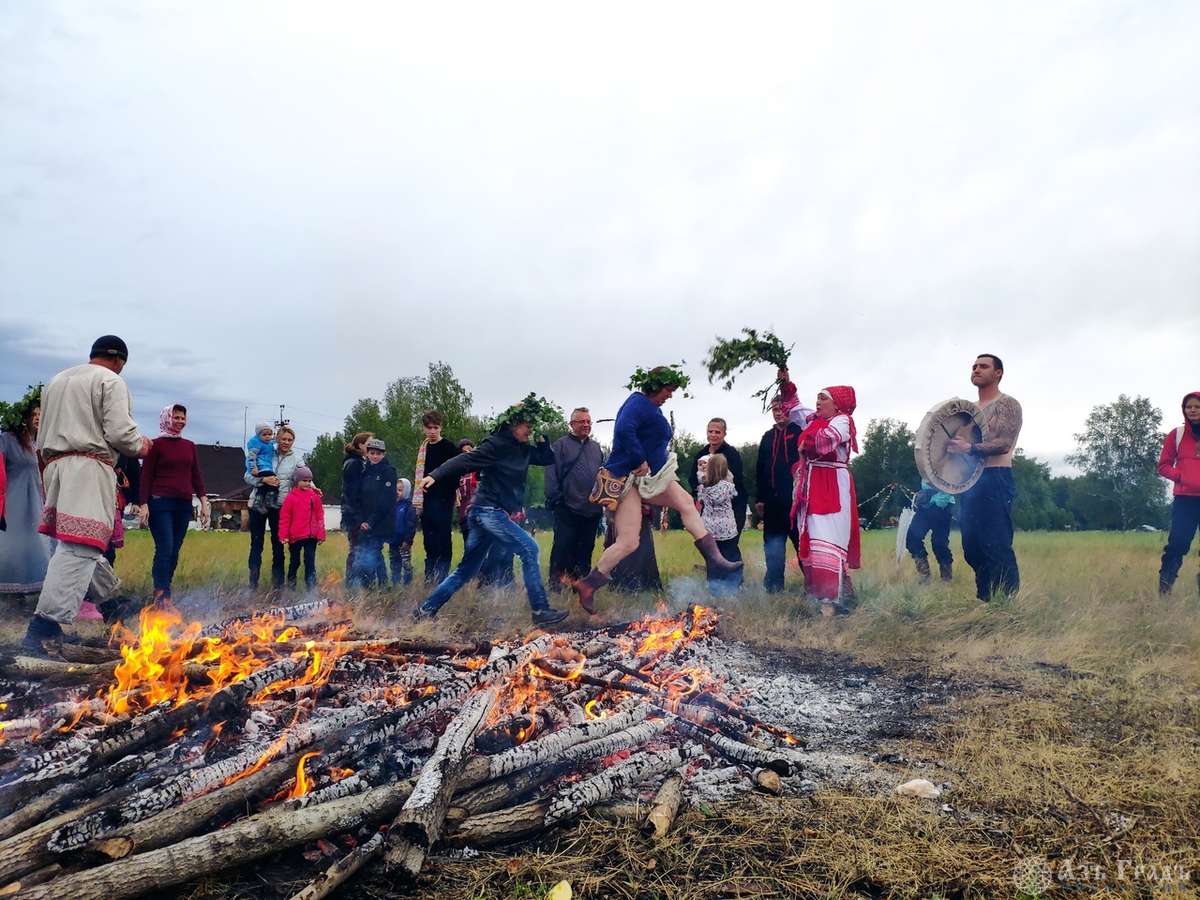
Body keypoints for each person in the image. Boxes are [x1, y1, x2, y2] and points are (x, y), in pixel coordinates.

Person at [573, 365, 742, 614]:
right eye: (668, 390)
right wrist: (640, 458)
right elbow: (622, 430)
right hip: (630, 479)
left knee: (686, 503)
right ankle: (589, 584)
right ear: (655, 387)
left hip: (650, 477)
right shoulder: (637, 403)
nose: (670, 395)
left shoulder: (650, 407)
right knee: (629, 542)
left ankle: (714, 559)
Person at [22, 335, 151, 654]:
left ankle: (114, 607)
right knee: (79, 545)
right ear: (120, 362)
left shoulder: (57, 380)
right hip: (88, 466)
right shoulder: (111, 381)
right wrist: (143, 446)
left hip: (55, 466)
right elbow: (121, 432)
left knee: (79, 540)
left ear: (92, 355)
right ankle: (44, 626)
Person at [413, 395, 568, 626]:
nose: (531, 430)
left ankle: (425, 611)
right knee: (529, 549)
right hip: (487, 511)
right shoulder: (496, 444)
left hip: (489, 513)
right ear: (514, 424)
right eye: (528, 425)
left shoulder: (524, 448)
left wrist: (543, 438)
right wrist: (434, 475)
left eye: (533, 426)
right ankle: (540, 610)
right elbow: (464, 460)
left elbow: (547, 458)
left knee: (465, 571)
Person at [946, 354, 1023, 601]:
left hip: (996, 477)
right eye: (974, 366)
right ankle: (985, 598)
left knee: (997, 543)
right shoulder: (967, 412)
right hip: (970, 483)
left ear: (998, 373)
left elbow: (1004, 443)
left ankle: (1006, 603)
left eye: (983, 366)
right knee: (972, 546)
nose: (976, 369)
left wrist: (969, 448)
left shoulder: (1007, 404)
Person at [792, 385, 861, 615]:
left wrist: (806, 441)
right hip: (814, 484)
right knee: (814, 541)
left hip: (832, 485)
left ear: (838, 403)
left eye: (823, 398)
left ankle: (828, 606)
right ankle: (831, 600)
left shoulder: (843, 421)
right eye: (817, 398)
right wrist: (787, 382)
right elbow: (794, 407)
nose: (818, 403)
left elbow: (821, 442)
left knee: (827, 540)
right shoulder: (815, 421)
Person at [137, 404, 209, 604]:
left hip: (183, 504)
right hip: (160, 504)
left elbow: (196, 475)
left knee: (175, 550)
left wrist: (203, 501)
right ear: (167, 418)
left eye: (182, 418)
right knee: (165, 548)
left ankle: (164, 589)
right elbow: (146, 476)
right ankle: (161, 595)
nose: (179, 421)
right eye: (176, 417)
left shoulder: (189, 446)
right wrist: (143, 504)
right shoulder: (155, 445)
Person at [0, 385, 52, 597]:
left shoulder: (39, 442)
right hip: (15, 498)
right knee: (12, 542)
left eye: (41, 413)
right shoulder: (8, 439)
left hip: (35, 498)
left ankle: (31, 587)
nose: (38, 418)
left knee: (36, 542)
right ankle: (8, 589)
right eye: (34, 414)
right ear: (25, 417)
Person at [756, 375, 806, 592]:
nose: (778, 414)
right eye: (774, 410)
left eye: (782, 409)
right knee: (773, 547)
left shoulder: (799, 433)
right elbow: (760, 469)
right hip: (772, 503)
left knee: (801, 545)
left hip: (795, 502)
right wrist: (759, 498)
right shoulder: (767, 437)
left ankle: (815, 586)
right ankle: (774, 587)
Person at [545, 407, 604, 590]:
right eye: (581, 421)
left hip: (592, 509)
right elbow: (551, 473)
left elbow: (603, 475)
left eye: (588, 421)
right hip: (567, 507)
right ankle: (556, 585)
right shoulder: (560, 445)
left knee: (586, 549)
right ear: (571, 424)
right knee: (563, 547)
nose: (586, 425)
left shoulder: (596, 448)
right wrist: (556, 499)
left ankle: (580, 586)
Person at [245, 425, 305, 590]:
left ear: (293, 442)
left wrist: (313, 487)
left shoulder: (296, 460)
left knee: (278, 545)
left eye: (290, 439)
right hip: (258, 503)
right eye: (283, 439)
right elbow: (247, 475)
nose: (286, 442)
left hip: (279, 506)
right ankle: (253, 584)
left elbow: (305, 476)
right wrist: (263, 480)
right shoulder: (265, 451)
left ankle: (277, 585)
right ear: (277, 438)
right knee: (256, 543)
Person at [1156, 390, 1200, 594]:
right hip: (1185, 500)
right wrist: (1182, 477)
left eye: (1197, 406)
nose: (1192, 409)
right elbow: (1163, 465)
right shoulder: (1177, 434)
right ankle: (1164, 592)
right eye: (1188, 406)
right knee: (1177, 545)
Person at [413, 411, 460, 584]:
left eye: (436, 427)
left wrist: (445, 488)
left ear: (441, 427)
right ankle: (429, 576)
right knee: (429, 539)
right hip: (426, 501)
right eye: (429, 428)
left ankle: (442, 578)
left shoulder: (448, 447)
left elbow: (457, 471)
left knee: (443, 539)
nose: (432, 431)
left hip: (443, 500)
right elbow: (420, 475)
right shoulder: (424, 448)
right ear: (423, 428)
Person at [349, 438, 396, 589]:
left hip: (381, 522)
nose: (375, 456)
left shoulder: (388, 472)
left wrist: (371, 521)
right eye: (372, 453)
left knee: (373, 551)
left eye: (378, 454)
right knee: (372, 553)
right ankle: (378, 584)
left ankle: (376, 585)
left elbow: (386, 500)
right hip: (364, 522)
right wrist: (361, 520)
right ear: (367, 453)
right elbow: (358, 498)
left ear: (384, 454)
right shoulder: (364, 472)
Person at [697, 453, 740, 596]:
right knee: (730, 556)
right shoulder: (728, 486)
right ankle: (732, 587)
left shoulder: (703, 487)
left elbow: (701, 501)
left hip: (709, 528)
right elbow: (734, 495)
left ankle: (713, 588)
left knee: (713, 559)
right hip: (727, 529)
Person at [278, 465, 325, 591]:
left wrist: (321, 533)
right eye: (304, 480)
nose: (307, 483)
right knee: (295, 562)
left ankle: (311, 589)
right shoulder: (291, 498)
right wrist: (283, 535)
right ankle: (291, 587)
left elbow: (320, 516)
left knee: (310, 562)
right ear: (296, 481)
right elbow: (285, 518)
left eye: (309, 481)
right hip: (296, 537)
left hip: (311, 536)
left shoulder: (314, 497)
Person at [604, 504, 663, 593]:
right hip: (620, 513)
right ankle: (622, 586)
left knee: (643, 552)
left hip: (640, 515)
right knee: (623, 554)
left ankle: (643, 586)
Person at [340, 432, 373, 582]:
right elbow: (352, 495)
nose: (372, 446)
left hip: (360, 515)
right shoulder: (354, 464)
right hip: (354, 516)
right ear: (361, 445)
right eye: (369, 443)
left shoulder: (362, 462)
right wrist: (359, 519)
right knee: (357, 550)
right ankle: (353, 583)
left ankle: (362, 582)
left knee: (362, 550)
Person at [906, 479, 955, 583]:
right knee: (912, 538)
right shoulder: (924, 462)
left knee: (939, 543)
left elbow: (953, 478)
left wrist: (940, 502)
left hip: (943, 504)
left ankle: (946, 578)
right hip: (925, 504)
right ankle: (924, 576)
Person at [390, 477, 417, 586]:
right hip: (393, 540)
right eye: (396, 490)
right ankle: (395, 582)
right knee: (394, 562)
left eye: (400, 490)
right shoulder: (392, 506)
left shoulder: (409, 506)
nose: (397, 492)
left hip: (403, 542)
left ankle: (407, 583)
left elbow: (411, 525)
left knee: (405, 563)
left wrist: (408, 540)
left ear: (406, 491)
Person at [245, 424, 278, 508]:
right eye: (264, 435)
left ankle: (260, 501)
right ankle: (269, 500)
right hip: (262, 467)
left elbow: (275, 439)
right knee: (273, 480)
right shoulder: (257, 444)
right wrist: (253, 468)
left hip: (266, 466)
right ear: (258, 435)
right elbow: (251, 457)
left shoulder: (268, 443)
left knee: (264, 485)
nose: (267, 437)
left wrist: (281, 431)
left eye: (269, 434)